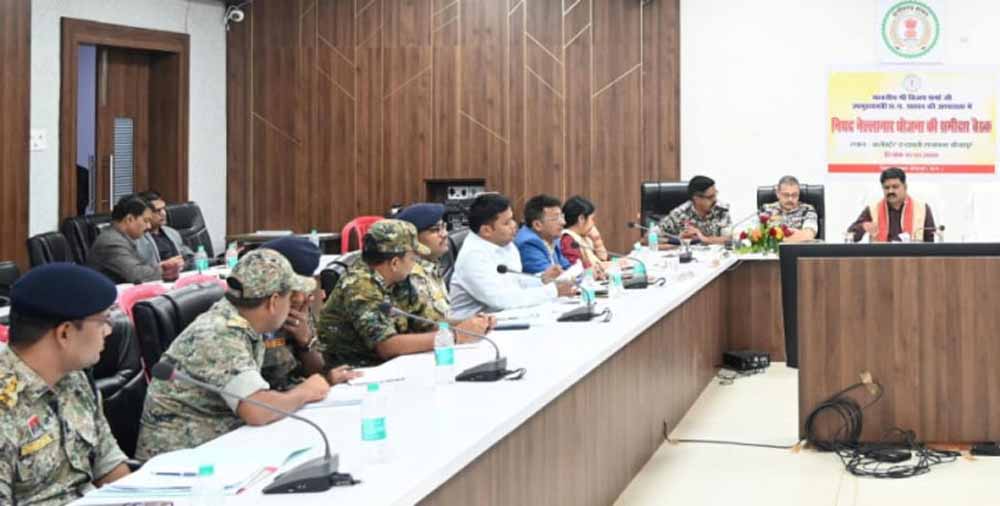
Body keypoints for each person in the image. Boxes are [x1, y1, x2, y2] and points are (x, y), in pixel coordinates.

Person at [135, 249, 330, 460]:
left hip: (217, 446)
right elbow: (257, 409)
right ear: (273, 302)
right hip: (179, 462)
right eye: (289, 297)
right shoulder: (219, 333)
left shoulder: (241, 320)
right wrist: (305, 392)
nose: (293, 303)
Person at [0, 263, 130, 504]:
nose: (108, 331)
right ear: (65, 333)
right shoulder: (5, 405)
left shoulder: (74, 378)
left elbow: (109, 466)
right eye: (103, 321)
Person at [319, 220, 492, 367]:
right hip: (356, 372)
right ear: (395, 263)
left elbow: (426, 324)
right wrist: (455, 336)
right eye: (412, 258)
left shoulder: (400, 279)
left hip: (393, 365)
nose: (416, 264)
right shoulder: (360, 286)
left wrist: (471, 323)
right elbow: (387, 346)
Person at [449, 193, 577, 320]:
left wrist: (542, 279)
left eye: (512, 219)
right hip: (471, 327)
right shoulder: (472, 257)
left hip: (503, 317)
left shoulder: (505, 243)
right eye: (507, 223)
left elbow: (515, 283)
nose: (514, 225)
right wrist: (553, 291)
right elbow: (501, 300)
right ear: (486, 231)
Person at [258, 237, 360, 391]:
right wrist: (324, 382)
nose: (300, 298)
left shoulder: (300, 307)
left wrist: (306, 342)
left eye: (304, 289)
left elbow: (317, 371)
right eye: (292, 291)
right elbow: (257, 395)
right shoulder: (250, 316)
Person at [87, 195, 182, 283]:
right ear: (130, 219)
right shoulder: (111, 242)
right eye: (146, 221)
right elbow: (137, 275)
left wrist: (162, 265)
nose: (148, 226)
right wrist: (164, 269)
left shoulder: (124, 238)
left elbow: (142, 266)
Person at [394, 203, 455, 321]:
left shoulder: (432, 266)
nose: (444, 234)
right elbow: (429, 326)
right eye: (435, 230)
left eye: (444, 227)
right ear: (413, 238)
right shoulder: (410, 275)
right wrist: (462, 327)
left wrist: (470, 323)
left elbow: (443, 321)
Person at [847, 167, 936, 243]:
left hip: (912, 257)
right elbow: (850, 236)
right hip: (881, 257)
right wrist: (863, 226)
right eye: (886, 188)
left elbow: (930, 243)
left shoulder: (922, 208)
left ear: (905, 187)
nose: (890, 191)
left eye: (895, 187)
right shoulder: (873, 209)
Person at [658, 175, 732, 245]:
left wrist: (704, 239)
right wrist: (679, 240)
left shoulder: (721, 210)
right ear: (696, 198)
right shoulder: (679, 214)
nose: (715, 199)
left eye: (715, 194)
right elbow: (653, 237)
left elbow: (730, 238)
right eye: (710, 197)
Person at [135, 190, 193, 270]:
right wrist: (165, 266)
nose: (163, 213)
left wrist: (188, 260)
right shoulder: (137, 238)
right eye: (157, 211)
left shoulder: (172, 232)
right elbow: (140, 269)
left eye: (163, 209)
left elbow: (187, 254)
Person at [515, 195, 572, 275]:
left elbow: (568, 268)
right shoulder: (528, 243)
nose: (563, 222)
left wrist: (588, 272)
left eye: (562, 217)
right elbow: (550, 277)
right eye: (555, 219)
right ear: (537, 225)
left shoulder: (552, 238)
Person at [760, 176, 818, 243]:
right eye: (786, 195)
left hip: (798, 249)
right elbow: (758, 235)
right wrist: (795, 235)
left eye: (794, 195)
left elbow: (808, 236)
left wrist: (776, 236)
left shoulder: (807, 210)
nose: (790, 199)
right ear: (778, 193)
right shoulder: (766, 209)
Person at [560, 195, 606, 275]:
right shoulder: (568, 240)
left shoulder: (583, 237)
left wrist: (597, 239)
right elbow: (580, 271)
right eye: (592, 219)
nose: (593, 223)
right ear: (581, 219)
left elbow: (603, 258)